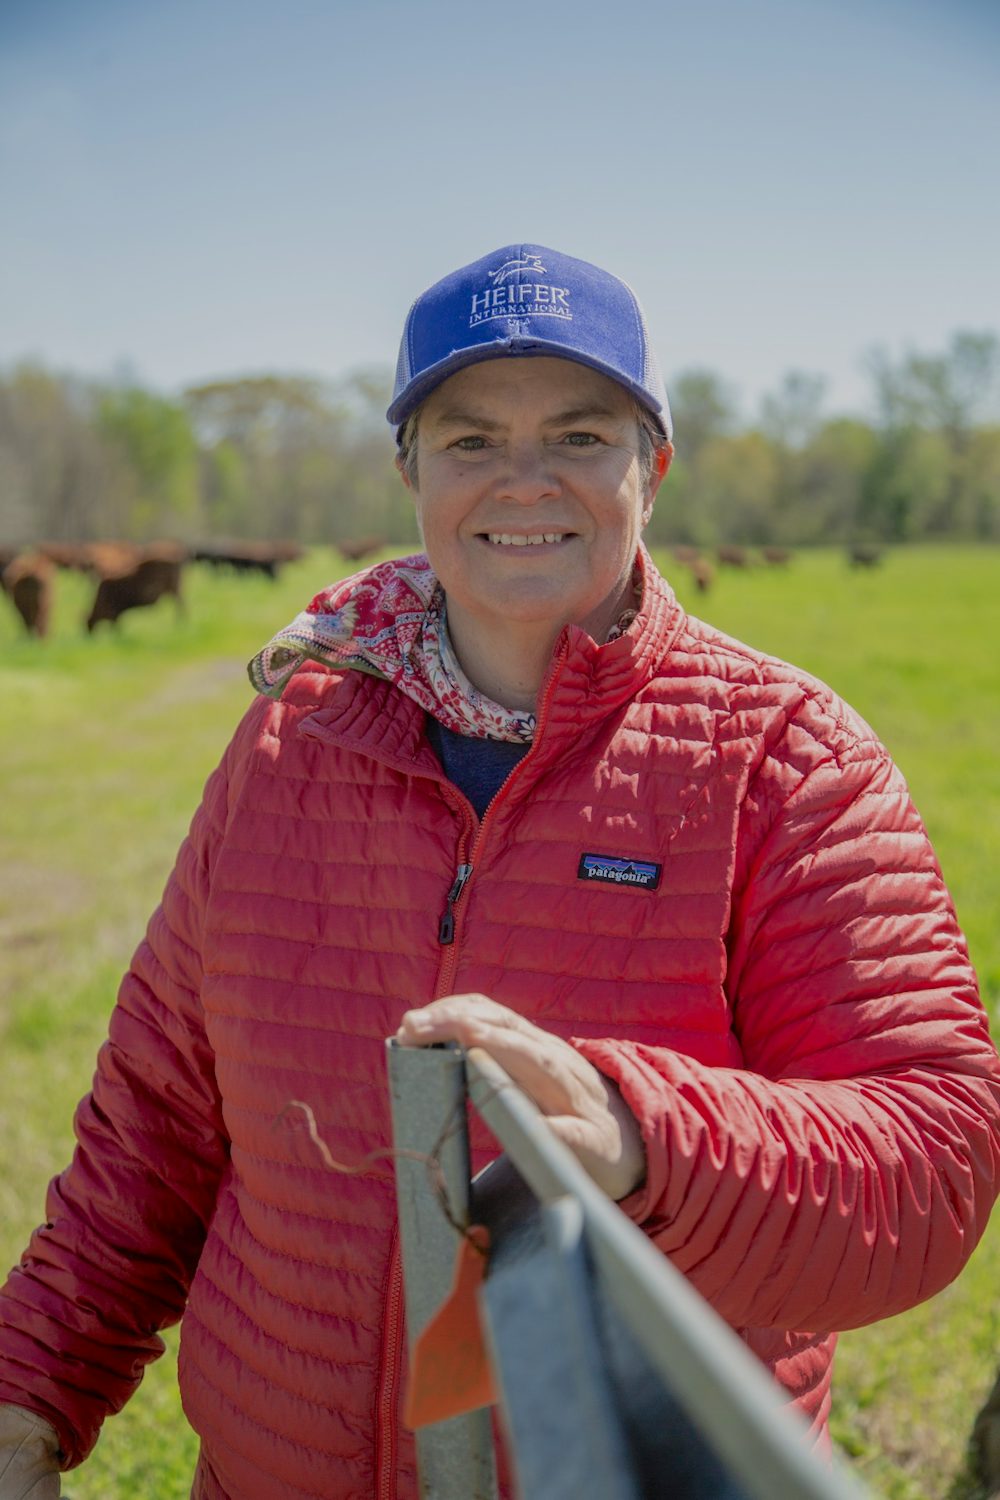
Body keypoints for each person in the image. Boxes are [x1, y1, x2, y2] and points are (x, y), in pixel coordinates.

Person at [1, 243, 998, 1500]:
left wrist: (648, 1135)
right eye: (470, 440)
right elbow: (154, 1129)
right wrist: (27, 1395)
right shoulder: (287, 745)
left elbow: (933, 1158)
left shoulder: (785, 762)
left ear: (655, 465)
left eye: (580, 434)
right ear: (411, 471)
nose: (524, 481)